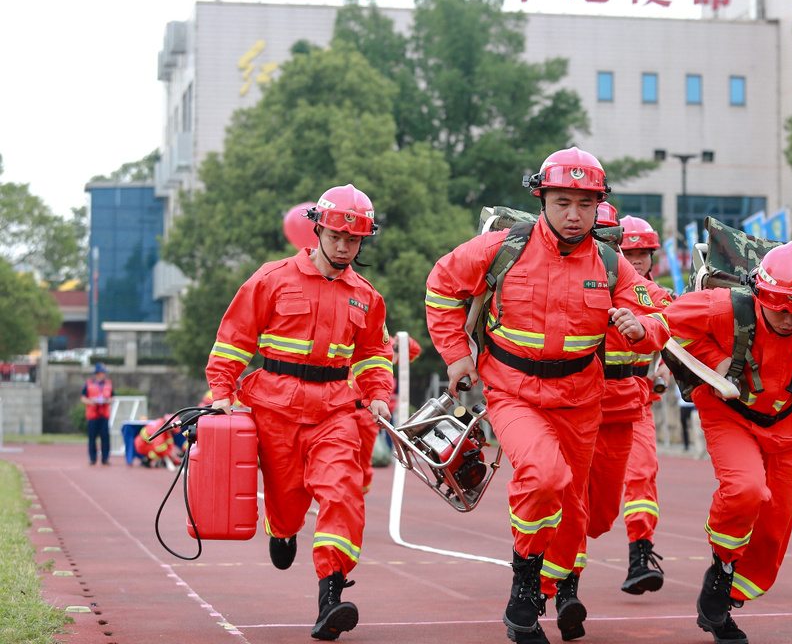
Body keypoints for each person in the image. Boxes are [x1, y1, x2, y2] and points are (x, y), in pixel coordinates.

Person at [425, 148, 669, 644]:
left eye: (585, 203)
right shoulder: (502, 248)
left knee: (578, 508)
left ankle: (556, 583)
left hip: (582, 396)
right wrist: (456, 355)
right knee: (543, 476)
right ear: (541, 199)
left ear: (598, 205)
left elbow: (660, 308)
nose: (574, 215)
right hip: (513, 392)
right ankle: (524, 588)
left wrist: (641, 326)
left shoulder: (610, 261)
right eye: (562, 202)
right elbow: (441, 285)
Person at [206, 184, 395, 641]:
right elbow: (234, 339)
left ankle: (332, 595)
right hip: (273, 406)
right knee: (288, 502)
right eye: (337, 237)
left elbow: (373, 353)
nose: (345, 247)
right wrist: (220, 390)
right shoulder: (271, 279)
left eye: (354, 240)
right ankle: (282, 529)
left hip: (335, 411)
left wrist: (378, 393)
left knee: (342, 492)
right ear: (318, 230)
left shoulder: (366, 296)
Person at [664, 241, 792, 644]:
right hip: (729, 413)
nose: (788, 318)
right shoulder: (722, 308)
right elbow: (669, 324)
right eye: (779, 307)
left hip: (788, 423)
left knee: (774, 530)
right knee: (746, 490)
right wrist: (715, 361)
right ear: (758, 293)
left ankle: (725, 595)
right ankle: (722, 567)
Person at [534, 203, 673, 640]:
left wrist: (666, 356)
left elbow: (680, 323)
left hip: (630, 404)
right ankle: (557, 585)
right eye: (618, 246)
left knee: (601, 513)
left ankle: (567, 564)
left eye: (640, 253)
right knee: (565, 498)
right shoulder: (570, 281)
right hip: (576, 403)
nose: (631, 258)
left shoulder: (648, 292)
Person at [616, 215, 671, 597]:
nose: (636, 261)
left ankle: (640, 555)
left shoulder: (660, 297)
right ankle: (563, 573)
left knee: (643, 473)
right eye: (629, 252)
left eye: (642, 253)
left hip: (638, 402)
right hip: (585, 402)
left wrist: (664, 374)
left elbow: (676, 341)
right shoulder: (601, 287)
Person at [354, 335, 421, 493]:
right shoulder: (342, 330)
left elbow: (414, 350)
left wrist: (401, 340)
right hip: (342, 408)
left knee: (363, 459)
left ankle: (360, 491)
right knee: (339, 457)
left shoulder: (380, 338)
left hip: (369, 411)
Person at [81, 362, 114, 466]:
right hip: (93, 414)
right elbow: (83, 397)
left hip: (104, 413)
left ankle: (105, 458)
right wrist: (90, 402)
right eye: (101, 373)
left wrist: (108, 400)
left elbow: (112, 397)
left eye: (104, 373)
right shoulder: (89, 383)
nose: (102, 375)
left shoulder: (108, 383)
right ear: (96, 373)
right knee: (92, 438)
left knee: (105, 437)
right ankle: (92, 458)